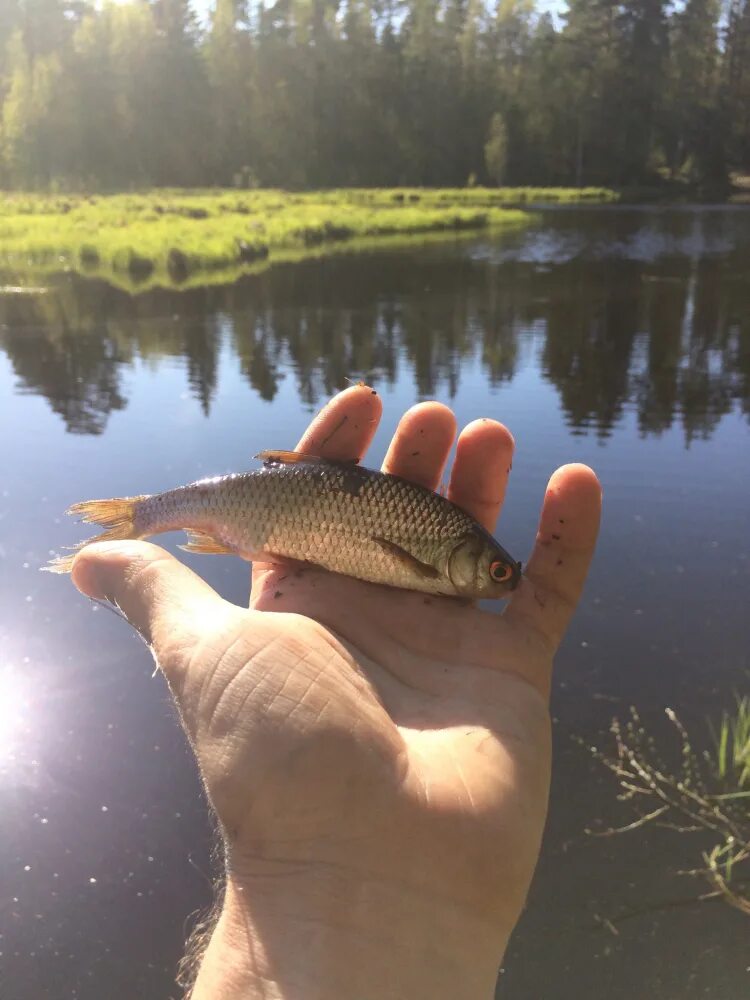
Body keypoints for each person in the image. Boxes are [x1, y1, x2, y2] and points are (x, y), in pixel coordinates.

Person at [69, 384, 601, 999]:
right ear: (469, 561)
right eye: (498, 573)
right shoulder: (449, 549)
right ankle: (138, 515)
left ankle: (142, 514)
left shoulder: (446, 537)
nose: (501, 584)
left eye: (501, 573)